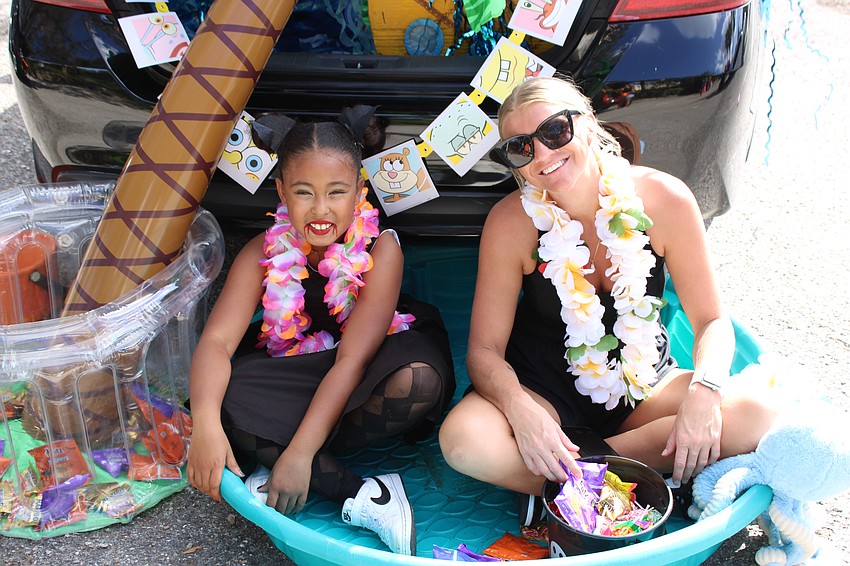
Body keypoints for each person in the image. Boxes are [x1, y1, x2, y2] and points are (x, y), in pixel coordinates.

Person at [438, 76, 778, 523]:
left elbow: (712, 320)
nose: (542, 155)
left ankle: (561, 483)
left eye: (555, 131)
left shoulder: (666, 199)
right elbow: (483, 352)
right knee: (462, 440)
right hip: (543, 394)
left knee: (756, 415)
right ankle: (622, 478)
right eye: (521, 148)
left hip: (641, 391)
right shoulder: (510, 223)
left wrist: (705, 390)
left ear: (588, 122)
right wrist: (521, 412)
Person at [187, 106, 455, 555]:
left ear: (359, 191)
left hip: (371, 356)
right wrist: (207, 427)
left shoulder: (382, 249)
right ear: (281, 191)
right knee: (221, 400)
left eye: (336, 192)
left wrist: (298, 453)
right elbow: (216, 342)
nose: (320, 209)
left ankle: (277, 452)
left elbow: (353, 358)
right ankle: (360, 493)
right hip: (299, 363)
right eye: (304, 192)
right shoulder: (262, 249)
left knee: (418, 381)